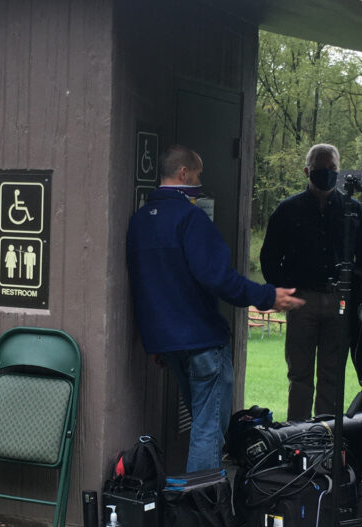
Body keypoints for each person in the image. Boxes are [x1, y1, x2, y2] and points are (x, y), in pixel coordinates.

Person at [127, 145, 304, 472]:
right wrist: (268, 297)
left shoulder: (139, 222)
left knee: (202, 425)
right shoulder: (191, 219)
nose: (198, 182)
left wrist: (159, 341)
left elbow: (145, 283)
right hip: (202, 341)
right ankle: (202, 511)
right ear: (183, 174)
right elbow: (219, 279)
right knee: (208, 430)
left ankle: (196, 508)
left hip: (167, 344)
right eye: (197, 175)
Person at [259, 143, 362, 421]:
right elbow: (269, 259)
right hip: (302, 301)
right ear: (306, 171)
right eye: (319, 169)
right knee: (299, 376)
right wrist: (287, 293)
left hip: (341, 303)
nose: (326, 173)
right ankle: (297, 437)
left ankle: (325, 441)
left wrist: (359, 295)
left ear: (339, 171)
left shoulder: (355, 212)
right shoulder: (287, 210)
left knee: (332, 377)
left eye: (331, 169)